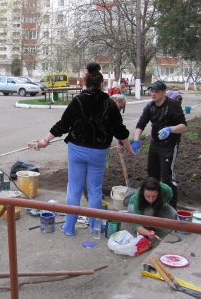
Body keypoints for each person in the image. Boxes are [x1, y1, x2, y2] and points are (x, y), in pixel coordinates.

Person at [36, 62, 133, 236]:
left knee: (74, 188)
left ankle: (69, 228)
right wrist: (128, 147)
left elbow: (63, 125)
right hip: (99, 152)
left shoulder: (78, 101)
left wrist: (45, 140)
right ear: (102, 84)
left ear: (84, 83)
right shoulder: (110, 104)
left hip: (77, 149)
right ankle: (95, 226)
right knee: (95, 190)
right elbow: (120, 130)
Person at [132, 81, 187, 210]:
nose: (153, 94)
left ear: (164, 92)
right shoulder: (150, 106)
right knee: (152, 175)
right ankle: (154, 201)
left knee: (167, 175)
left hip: (169, 145)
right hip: (155, 144)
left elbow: (183, 126)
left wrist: (170, 129)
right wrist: (136, 139)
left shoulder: (172, 105)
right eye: (151, 91)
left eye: (156, 91)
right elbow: (141, 124)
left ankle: (172, 204)